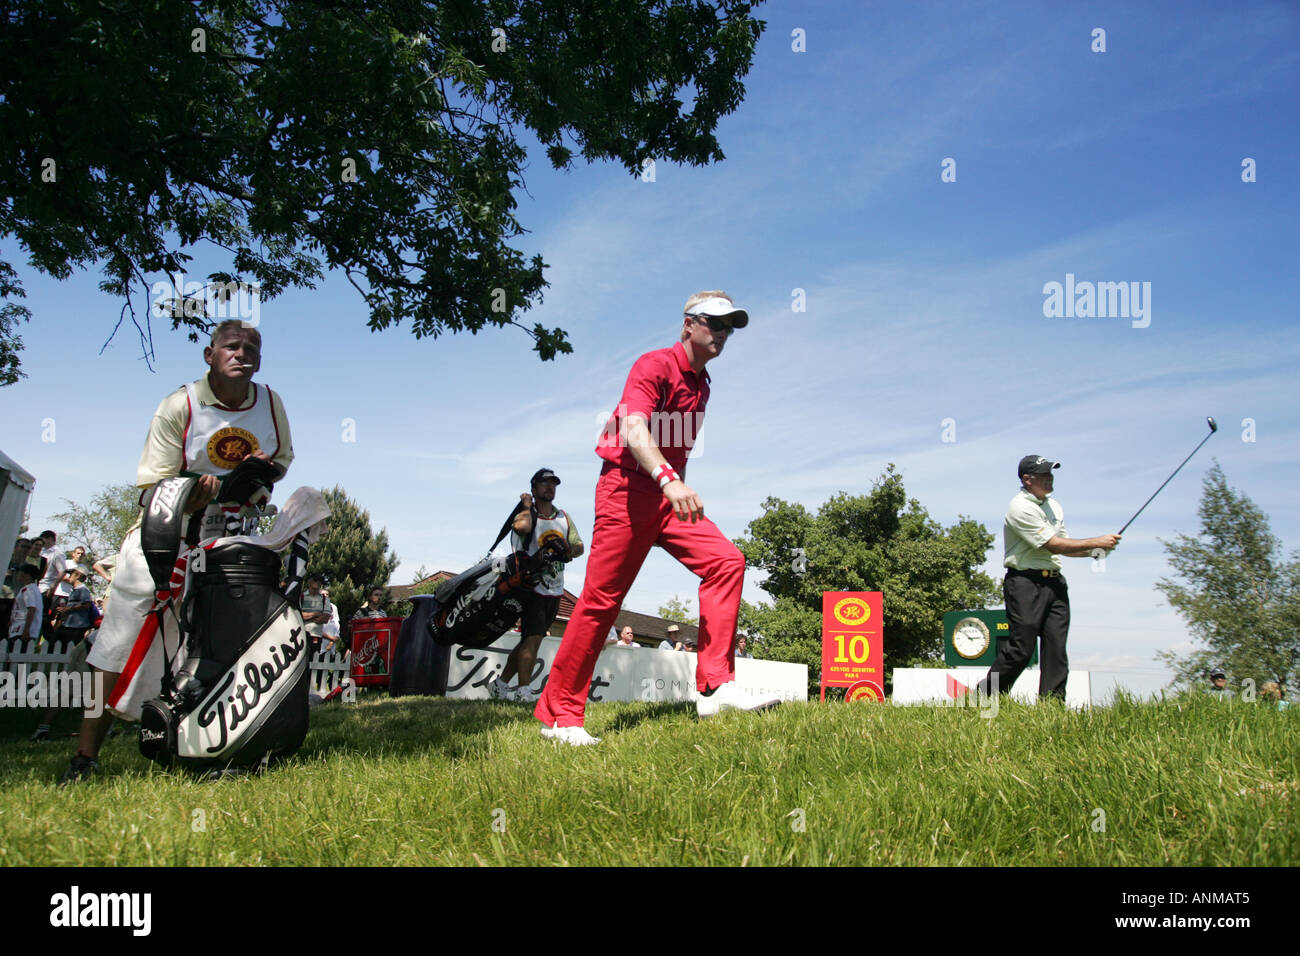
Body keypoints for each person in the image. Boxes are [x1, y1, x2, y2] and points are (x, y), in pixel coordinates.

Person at [533, 291, 783, 745]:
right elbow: (632, 427)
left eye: (730, 328)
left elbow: (674, 443)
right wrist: (668, 478)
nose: (723, 334)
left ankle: (714, 686)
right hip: (627, 490)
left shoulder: (704, 384)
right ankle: (560, 717)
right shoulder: (653, 365)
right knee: (601, 600)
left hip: (668, 498)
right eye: (715, 324)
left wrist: (672, 485)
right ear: (689, 324)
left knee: (726, 561)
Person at [60, 319, 293, 784]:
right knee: (117, 647)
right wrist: (192, 492)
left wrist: (257, 479)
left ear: (260, 360)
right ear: (210, 355)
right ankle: (85, 756)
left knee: (216, 648)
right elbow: (151, 486)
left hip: (228, 539)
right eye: (231, 345)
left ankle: (200, 749)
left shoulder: (270, 403)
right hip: (165, 539)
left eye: (251, 348)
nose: (241, 353)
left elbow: (281, 461)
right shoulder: (178, 405)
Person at [976, 455, 1120, 702]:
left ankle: (1051, 706)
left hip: (1054, 582)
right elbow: (1053, 545)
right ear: (1027, 479)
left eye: (1051, 474)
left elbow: (1064, 546)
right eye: (1044, 475)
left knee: (1056, 647)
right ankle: (986, 696)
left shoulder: (1054, 506)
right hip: (1024, 583)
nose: (1050, 479)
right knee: (1022, 648)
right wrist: (1096, 541)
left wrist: (1093, 552)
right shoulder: (1019, 507)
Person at [490, 468, 584, 703]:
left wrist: (569, 551)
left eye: (553, 483)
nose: (549, 487)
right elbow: (521, 529)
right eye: (544, 483)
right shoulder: (528, 514)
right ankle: (524, 691)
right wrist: (526, 503)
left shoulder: (563, 516)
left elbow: (579, 545)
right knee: (532, 638)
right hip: (531, 585)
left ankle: (500, 684)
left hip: (555, 588)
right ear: (534, 488)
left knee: (531, 640)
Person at [7, 565, 42, 643]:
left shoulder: (28, 590)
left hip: (21, 629)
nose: (17, 575)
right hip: (19, 628)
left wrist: (26, 630)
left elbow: (32, 609)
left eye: (19, 573)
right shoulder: (30, 589)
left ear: (27, 576)